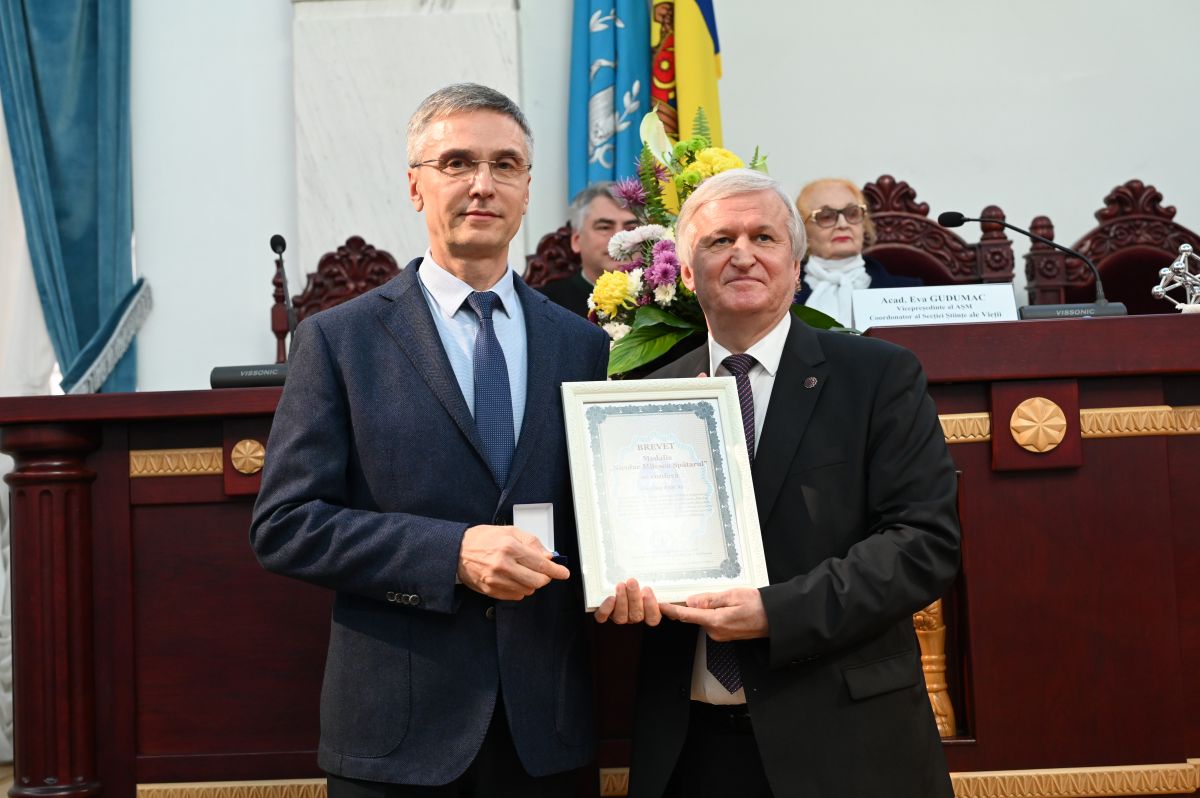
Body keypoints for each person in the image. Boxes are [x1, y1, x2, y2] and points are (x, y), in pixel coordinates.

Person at [250, 83, 610, 797]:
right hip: (398, 737)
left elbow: (597, 516)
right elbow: (284, 525)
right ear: (415, 186)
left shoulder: (583, 344)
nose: (483, 184)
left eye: (505, 164)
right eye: (457, 163)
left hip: (548, 733)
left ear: (527, 188)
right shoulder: (340, 340)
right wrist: (452, 555)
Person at [597, 169, 960, 797]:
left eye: (763, 237)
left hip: (846, 743)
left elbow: (923, 544)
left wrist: (775, 613)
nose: (742, 254)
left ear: (796, 266)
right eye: (719, 241)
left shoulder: (877, 377)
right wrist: (619, 583)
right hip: (690, 750)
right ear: (687, 274)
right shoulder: (643, 399)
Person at [794, 177, 921, 326]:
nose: (843, 224)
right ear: (803, 231)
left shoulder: (910, 293)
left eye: (852, 213)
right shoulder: (783, 295)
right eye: (826, 216)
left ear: (863, 225)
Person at [539, 182, 639, 316]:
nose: (620, 239)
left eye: (631, 229)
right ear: (576, 240)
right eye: (604, 227)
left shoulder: (662, 298)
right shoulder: (545, 305)